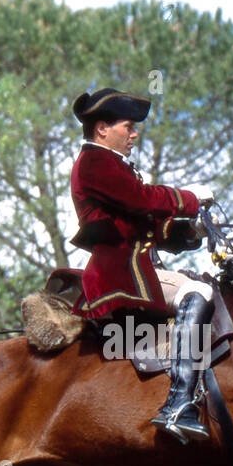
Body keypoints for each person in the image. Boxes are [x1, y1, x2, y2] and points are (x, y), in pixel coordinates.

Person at [69, 87, 216, 442]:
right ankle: (179, 404)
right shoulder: (94, 162)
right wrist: (190, 198)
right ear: (102, 128)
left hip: (133, 266)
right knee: (199, 291)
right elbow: (141, 199)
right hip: (121, 273)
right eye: (128, 127)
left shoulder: (110, 165)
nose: (134, 134)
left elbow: (141, 224)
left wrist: (187, 231)